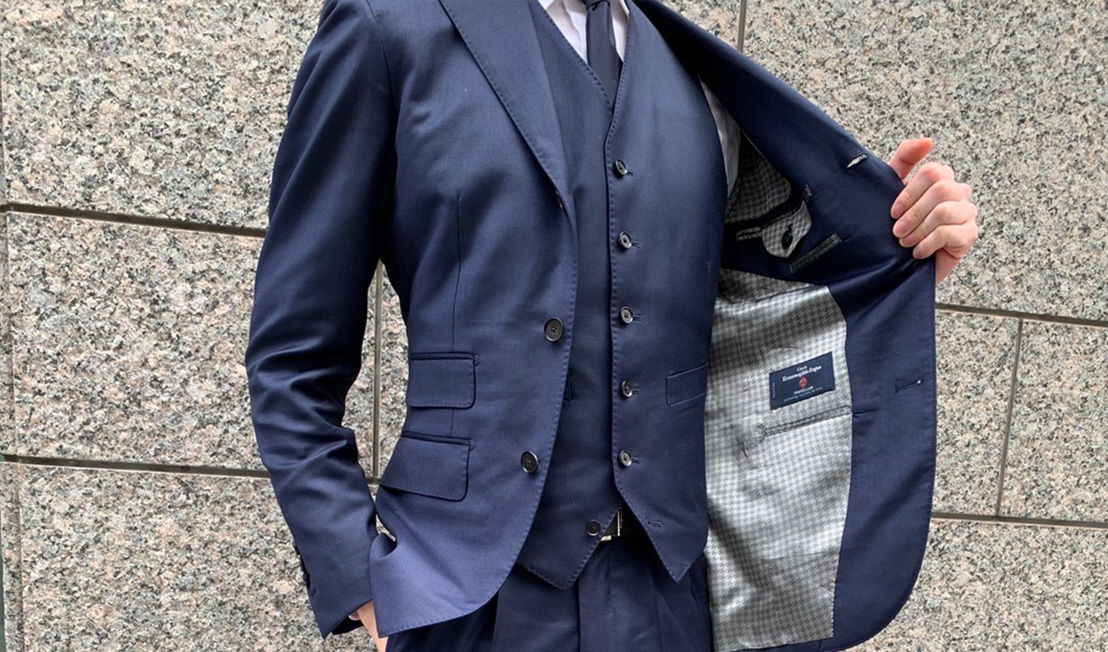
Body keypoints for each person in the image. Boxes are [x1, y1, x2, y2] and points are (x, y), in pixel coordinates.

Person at [245, 0, 979, 650]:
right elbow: (292, 355)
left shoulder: (696, 78)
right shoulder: (388, 23)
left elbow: (747, 313)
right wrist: (361, 579)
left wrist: (894, 250)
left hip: (671, 603)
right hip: (468, 601)